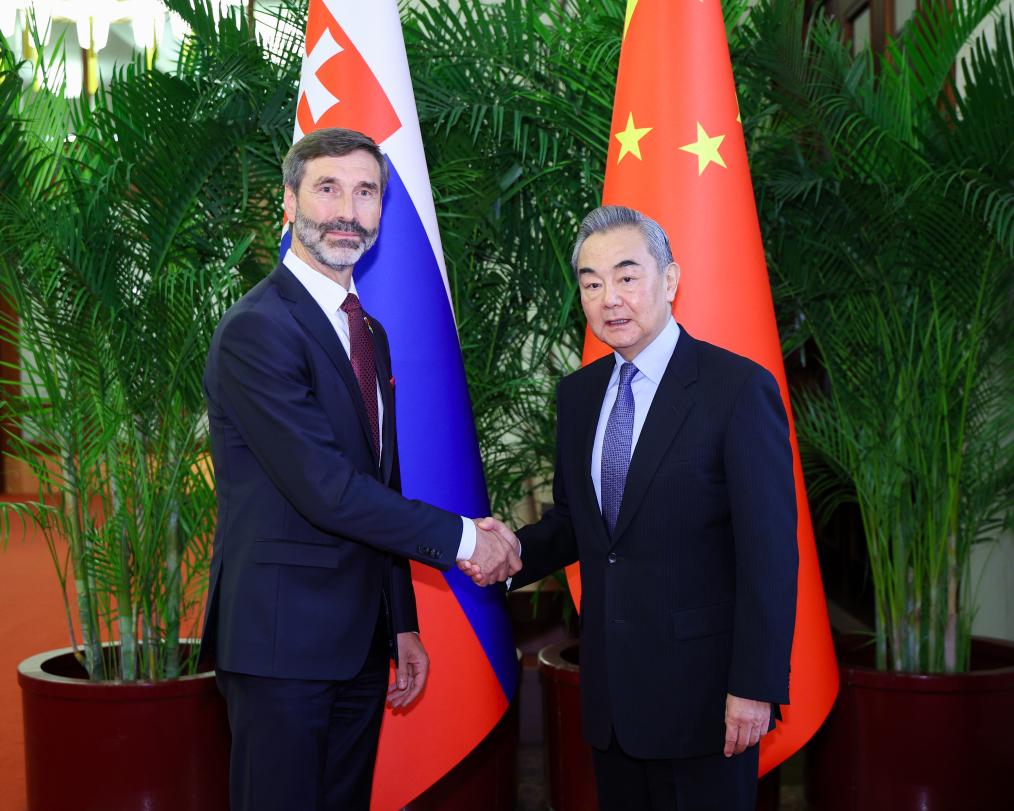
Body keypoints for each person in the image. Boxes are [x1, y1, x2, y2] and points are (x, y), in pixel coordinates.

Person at [201, 127, 520, 811]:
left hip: (358, 643)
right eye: (328, 189)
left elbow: (379, 484)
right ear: (290, 203)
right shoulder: (258, 330)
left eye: (366, 192)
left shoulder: (368, 331)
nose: (348, 210)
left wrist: (399, 620)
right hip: (280, 645)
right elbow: (327, 490)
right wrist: (468, 539)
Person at [464, 205, 798, 810]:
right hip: (613, 696)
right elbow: (578, 523)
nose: (609, 299)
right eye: (591, 284)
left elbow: (769, 555)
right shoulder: (580, 394)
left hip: (706, 700)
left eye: (626, 276)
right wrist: (509, 554)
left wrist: (755, 685)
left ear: (669, 280)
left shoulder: (736, 389)